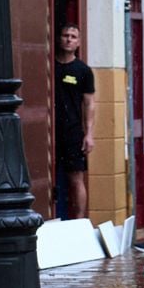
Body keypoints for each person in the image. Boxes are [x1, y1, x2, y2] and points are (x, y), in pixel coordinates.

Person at [54, 23, 95, 219]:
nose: (68, 39)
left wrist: (89, 134)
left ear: (78, 42)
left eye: (73, 36)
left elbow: (89, 103)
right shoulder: (49, 66)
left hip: (72, 132)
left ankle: (78, 222)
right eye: (65, 35)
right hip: (50, 131)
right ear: (58, 38)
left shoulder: (83, 70)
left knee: (76, 178)